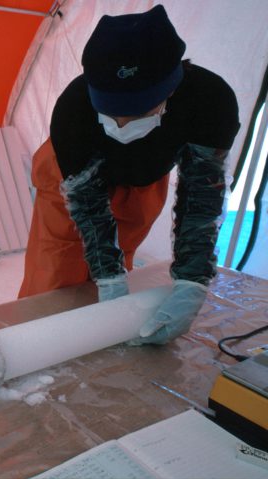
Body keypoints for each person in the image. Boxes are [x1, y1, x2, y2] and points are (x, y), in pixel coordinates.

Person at [19, 5, 240, 345]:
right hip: (74, 174)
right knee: (58, 266)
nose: (120, 126)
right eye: (110, 114)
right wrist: (108, 278)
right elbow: (88, 206)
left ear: (169, 90)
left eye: (136, 114)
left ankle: (99, 334)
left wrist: (191, 282)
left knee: (121, 254)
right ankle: (40, 342)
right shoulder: (73, 111)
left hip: (144, 178)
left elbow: (201, 197)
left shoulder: (211, 102)